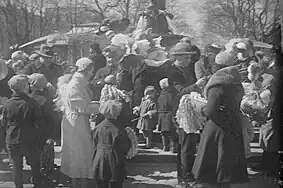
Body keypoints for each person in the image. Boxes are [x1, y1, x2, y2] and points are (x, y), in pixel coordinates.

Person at [192, 66, 249, 188]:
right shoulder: (238, 86)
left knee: (216, 159)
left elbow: (210, 111)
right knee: (227, 159)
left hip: (217, 127)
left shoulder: (217, 87)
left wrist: (198, 107)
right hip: (233, 125)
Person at [167, 42, 207, 187]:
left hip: (188, 110)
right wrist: (197, 85)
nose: (190, 60)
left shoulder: (186, 69)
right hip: (180, 113)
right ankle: (185, 177)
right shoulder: (173, 72)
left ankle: (184, 175)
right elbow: (181, 91)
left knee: (187, 145)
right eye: (188, 57)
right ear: (179, 57)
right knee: (186, 146)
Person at [1, 75, 46, 188]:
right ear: (26, 87)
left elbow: (3, 122)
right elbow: (40, 123)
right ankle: (37, 185)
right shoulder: (32, 103)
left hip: (12, 137)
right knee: (35, 165)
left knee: (16, 166)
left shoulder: (8, 103)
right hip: (29, 137)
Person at [60, 57, 95, 188]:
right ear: (85, 70)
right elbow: (82, 107)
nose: (92, 73)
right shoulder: (76, 84)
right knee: (78, 152)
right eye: (91, 70)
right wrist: (103, 107)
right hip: (75, 122)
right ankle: (79, 182)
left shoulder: (81, 82)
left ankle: (81, 180)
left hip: (79, 120)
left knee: (81, 151)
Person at [90, 100, 131, 188]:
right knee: (116, 185)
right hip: (114, 159)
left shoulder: (98, 128)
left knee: (100, 184)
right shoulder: (119, 129)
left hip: (99, 159)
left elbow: (94, 143)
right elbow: (125, 146)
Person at [28, 73, 56, 174]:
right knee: (46, 154)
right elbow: (50, 117)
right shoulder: (46, 98)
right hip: (44, 130)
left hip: (32, 130)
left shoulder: (29, 97)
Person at [157, 78, 176, 152]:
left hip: (162, 115)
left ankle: (165, 146)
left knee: (164, 132)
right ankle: (173, 147)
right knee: (171, 132)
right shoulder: (171, 95)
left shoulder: (160, 95)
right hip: (169, 114)